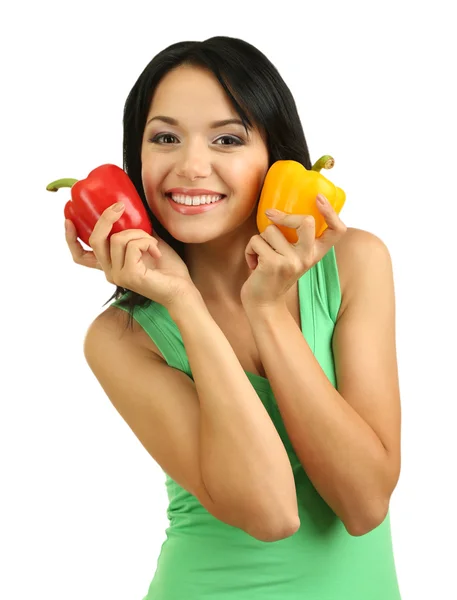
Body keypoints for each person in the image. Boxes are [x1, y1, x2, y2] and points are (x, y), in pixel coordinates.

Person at [65, 36, 402, 599]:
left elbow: (364, 504)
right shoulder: (122, 338)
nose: (192, 166)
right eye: (165, 138)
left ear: (275, 156)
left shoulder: (356, 263)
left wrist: (267, 310)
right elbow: (271, 513)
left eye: (227, 138)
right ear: (137, 158)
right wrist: (183, 303)